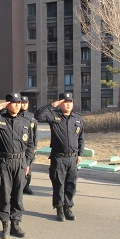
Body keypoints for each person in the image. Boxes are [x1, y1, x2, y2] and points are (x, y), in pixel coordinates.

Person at [0, 93, 35, 239]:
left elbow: (30, 145)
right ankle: (5, 225)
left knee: (18, 195)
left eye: (19, 102)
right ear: (7, 104)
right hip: (5, 162)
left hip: (21, 163)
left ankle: (16, 223)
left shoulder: (25, 121)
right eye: (14, 102)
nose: (17, 105)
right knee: (5, 194)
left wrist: (27, 162)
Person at [34, 93, 84, 222]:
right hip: (58, 157)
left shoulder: (77, 118)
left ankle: (68, 207)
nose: (68, 104)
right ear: (60, 103)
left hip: (73, 158)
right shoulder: (53, 115)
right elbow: (38, 116)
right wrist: (51, 105)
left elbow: (81, 138)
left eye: (70, 102)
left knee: (71, 184)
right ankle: (59, 208)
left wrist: (80, 154)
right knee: (59, 184)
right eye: (65, 102)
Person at [20, 96, 38, 195]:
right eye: (22, 103)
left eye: (26, 103)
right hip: (20, 147)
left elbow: (35, 132)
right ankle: (19, 185)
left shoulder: (32, 116)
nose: (24, 104)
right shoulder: (17, 116)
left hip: (29, 147)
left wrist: (35, 146)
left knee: (28, 167)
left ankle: (26, 186)